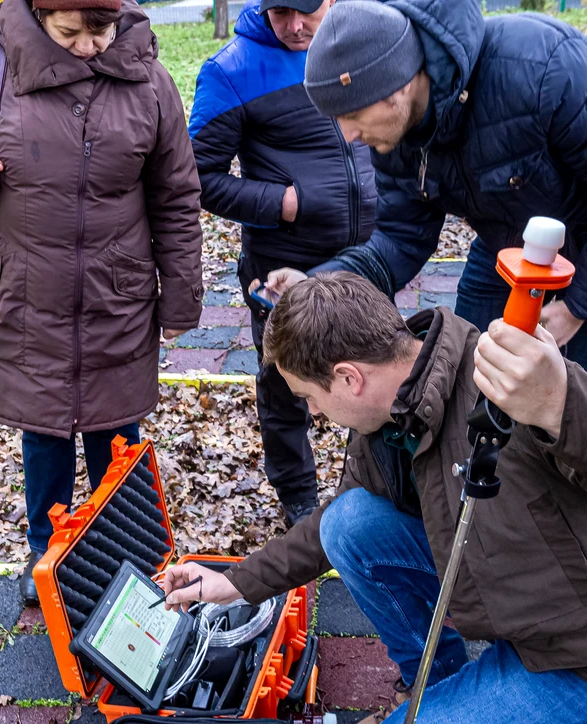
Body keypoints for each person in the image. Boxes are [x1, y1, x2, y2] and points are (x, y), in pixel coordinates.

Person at [163, 272, 587, 723]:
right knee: (349, 523)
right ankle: (435, 682)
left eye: (309, 396)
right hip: (510, 599)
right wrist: (233, 583)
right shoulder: (390, 412)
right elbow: (333, 528)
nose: (314, 413)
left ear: (349, 377)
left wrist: (559, 401)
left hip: (570, 653)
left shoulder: (510, 390)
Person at [0, 0, 204, 605]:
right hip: (23, 299)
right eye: (70, 32)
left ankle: (119, 554)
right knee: (43, 431)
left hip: (114, 297)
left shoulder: (149, 77)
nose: (87, 46)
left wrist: (180, 296)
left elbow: (176, 195)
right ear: (40, 14)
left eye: (99, 31)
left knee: (115, 434)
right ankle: (47, 550)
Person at [256, 0, 587, 366]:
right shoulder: (394, 136)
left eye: (352, 115)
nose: (348, 136)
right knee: (472, 373)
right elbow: (398, 240)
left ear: (397, 86)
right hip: (506, 246)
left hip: (581, 253)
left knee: (573, 394)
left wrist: (575, 307)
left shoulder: (546, 69)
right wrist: (314, 284)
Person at [188, 0, 376, 526]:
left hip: (365, 255)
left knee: (373, 371)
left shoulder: (354, 45)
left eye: (306, 11)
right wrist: (281, 203)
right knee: (285, 380)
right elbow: (199, 176)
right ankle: (298, 495)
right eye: (280, 12)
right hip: (282, 258)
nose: (295, 26)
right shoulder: (231, 69)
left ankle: (374, 481)